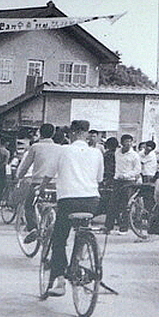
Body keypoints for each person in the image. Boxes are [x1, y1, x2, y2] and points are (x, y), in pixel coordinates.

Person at [43, 119, 104, 295]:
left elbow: (49, 174)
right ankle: (77, 262)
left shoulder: (63, 150)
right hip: (92, 200)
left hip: (68, 200)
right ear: (86, 133)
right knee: (82, 231)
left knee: (59, 238)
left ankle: (60, 281)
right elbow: (99, 178)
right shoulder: (96, 153)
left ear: (72, 133)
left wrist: (40, 188)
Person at [15, 123, 65, 243]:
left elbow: (26, 165)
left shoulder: (35, 147)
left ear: (40, 134)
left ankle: (33, 228)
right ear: (53, 134)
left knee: (29, 205)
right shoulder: (60, 148)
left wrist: (19, 176)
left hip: (38, 182)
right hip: (55, 183)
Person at [104, 134, 142, 234]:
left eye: (130, 141)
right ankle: (108, 227)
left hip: (129, 182)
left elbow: (137, 170)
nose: (128, 144)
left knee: (126, 205)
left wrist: (126, 175)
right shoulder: (117, 152)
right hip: (117, 181)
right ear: (121, 143)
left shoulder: (134, 155)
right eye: (126, 141)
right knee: (113, 204)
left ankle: (124, 228)